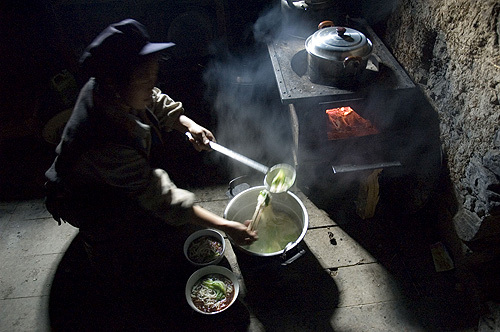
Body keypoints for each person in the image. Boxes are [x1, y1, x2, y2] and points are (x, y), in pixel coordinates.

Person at [44, 19, 258, 294]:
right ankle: (103, 259)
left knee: (152, 211)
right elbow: (160, 195)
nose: (151, 83)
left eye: (153, 73)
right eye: (143, 77)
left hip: (118, 178)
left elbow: (155, 99)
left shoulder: (114, 91)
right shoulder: (104, 141)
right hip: (83, 195)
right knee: (123, 235)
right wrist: (226, 225)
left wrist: (189, 125)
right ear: (114, 82)